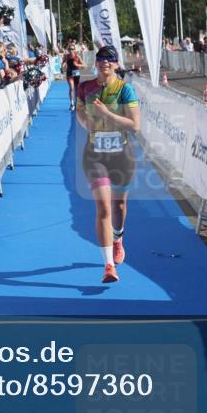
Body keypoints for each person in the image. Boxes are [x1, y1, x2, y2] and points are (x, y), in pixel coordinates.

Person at [75, 45, 140, 283]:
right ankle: (109, 266)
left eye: (109, 59)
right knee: (103, 207)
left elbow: (135, 125)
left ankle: (118, 238)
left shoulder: (125, 89)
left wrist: (107, 115)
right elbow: (80, 113)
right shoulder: (85, 87)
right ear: (96, 63)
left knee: (119, 205)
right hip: (95, 155)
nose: (105, 62)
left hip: (121, 155)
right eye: (101, 58)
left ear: (116, 64)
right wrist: (86, 123)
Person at [63, 42, 84, 111]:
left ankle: (76, 102)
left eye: (72, 49)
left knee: (77, 89)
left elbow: (84, 65)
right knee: (71, 88)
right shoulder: (66, 56)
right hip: (69, 74)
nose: (71, 50)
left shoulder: (77, 56)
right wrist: (63, 65)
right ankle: (72, 103)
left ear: (75, 50)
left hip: (76, 74)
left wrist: (78, 65)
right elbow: (63, 62)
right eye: (70, 49)